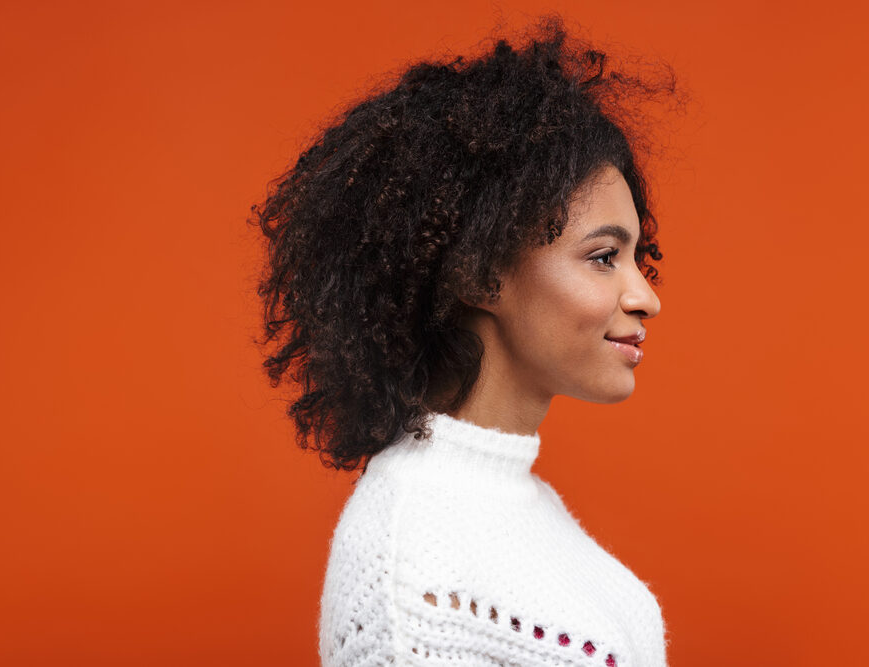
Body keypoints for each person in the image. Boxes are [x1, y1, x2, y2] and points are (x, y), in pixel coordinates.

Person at [249, 12, 682, 667]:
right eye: (602, 257)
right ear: (479, 273)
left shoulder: (515, 503)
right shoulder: (410, 570)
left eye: (636, 259)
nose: (645, 297)